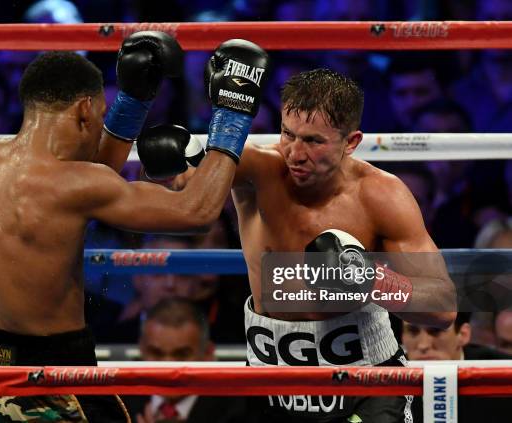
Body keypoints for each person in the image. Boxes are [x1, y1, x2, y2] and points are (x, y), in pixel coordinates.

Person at [0, 31, 270, 422]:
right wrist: (234, 111)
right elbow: (198, 211)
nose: (103, 124)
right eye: (104, 114)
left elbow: (86, 183)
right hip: (53, 387)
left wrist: (134, 100)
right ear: (85, 110)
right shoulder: (73, 184)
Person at [162, 68, 456, 422]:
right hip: (270, 381)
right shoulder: (258, 169)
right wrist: (192, 148)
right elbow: (186, 186)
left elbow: (442, 308)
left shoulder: (381, 195)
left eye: (314, 141)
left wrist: (369, 280)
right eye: (288, 134)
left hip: (363, 382)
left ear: (351, 142)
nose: (295, 153)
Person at [124, 297, 246, 423]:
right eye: (157, 353)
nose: (168, 368)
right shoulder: (119, 402)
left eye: (181, 354)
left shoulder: (237, 409)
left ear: (207, 353)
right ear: (141, 350)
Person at [402, 313, 511, 422]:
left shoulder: (503, 374)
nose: (423, 345)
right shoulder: (388, 374)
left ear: (463, 335)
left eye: (436, 331)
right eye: (413, 331)